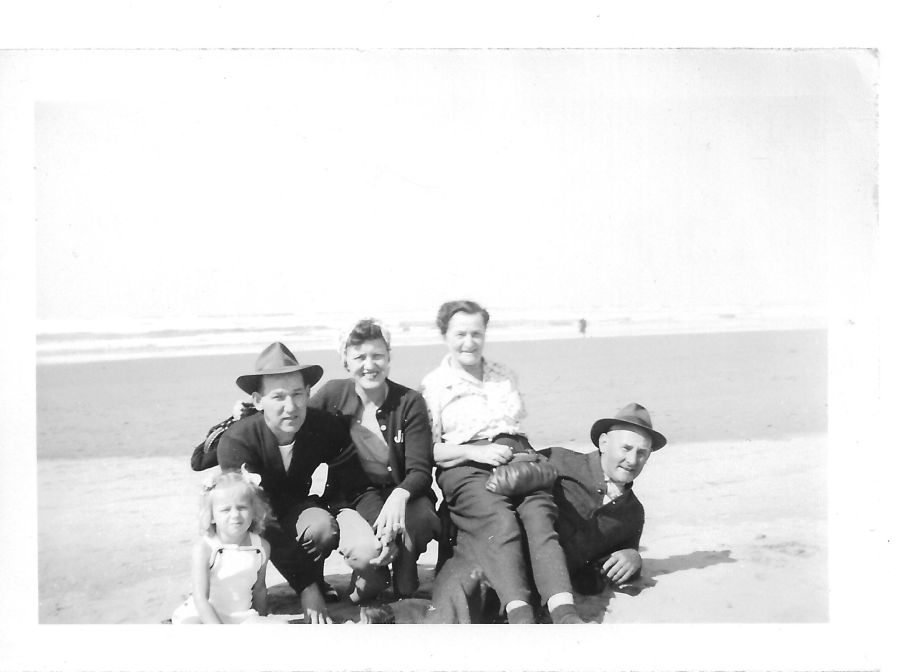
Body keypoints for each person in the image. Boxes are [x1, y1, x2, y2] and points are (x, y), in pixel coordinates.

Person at [420, 300, 584, 624]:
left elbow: (516, 429)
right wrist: (473, 453)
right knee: (501, 522)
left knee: (539, 515)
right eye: (461, 334)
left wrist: (518, 455)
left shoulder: (504, 375)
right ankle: (520, 613)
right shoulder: (434, 385)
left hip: (515, 458)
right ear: (445, 335)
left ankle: (564, 612)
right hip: (464, 466)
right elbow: (430, 451)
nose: (469, 342)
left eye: (476, 333)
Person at [216, 341, 355, 624]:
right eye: (278, 397)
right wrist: (306, 589)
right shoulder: (237, 440)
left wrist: (329, 501)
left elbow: (347, 467)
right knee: (242, 531)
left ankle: (314, 578)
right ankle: (263, 585)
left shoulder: (323, 426)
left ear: (308, 393)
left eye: (297, 394)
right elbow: (257, 517)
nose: (290, 407)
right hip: (248, 520)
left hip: (294, 510)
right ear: (257, 401)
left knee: (320, 526)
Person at [309, 318, 439, 603]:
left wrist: (398, 496)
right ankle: (373, 568)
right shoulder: (332, 394)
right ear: (345, 361)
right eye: (359, 357)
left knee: (406, 590)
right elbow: (295, 423)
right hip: (353, 501)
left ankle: (405, 561)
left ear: (389, 357)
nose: (370, 364)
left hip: (406, 498)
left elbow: (420, 470)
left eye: (378, 355)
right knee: (365, 591)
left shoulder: (410, 401)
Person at [547, 402, 667, 592]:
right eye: (626, 448)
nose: (633, 460)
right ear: (604, 443)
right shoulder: (558, 461)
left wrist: (634, 557)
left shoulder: (633, 513)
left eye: (642, 453)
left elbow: (616, 562)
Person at [172, 468, 272, 624]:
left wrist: (262, 621)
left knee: (280, 628)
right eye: (225, 510)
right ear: (211, 516)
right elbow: (200, 598)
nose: (235, 515)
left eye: (242, 507)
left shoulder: (261, 547)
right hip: (204, 615)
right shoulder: (206, 548)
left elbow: (259, 589)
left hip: (242, 616)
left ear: (254, 511)